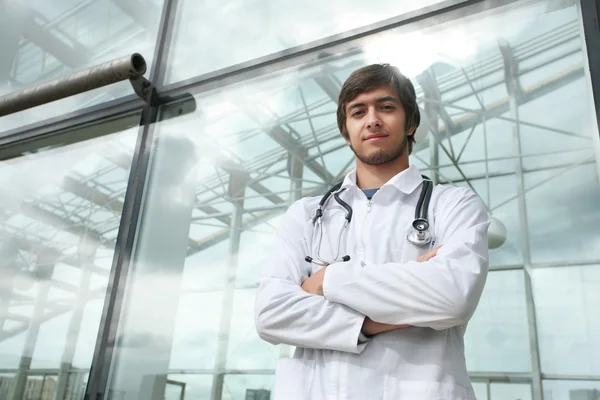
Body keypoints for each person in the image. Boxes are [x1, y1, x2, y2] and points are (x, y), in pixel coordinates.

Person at [254, 63, 491, 400]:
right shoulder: (306, 215)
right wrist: (368, 324)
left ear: (410, 123)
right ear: (345, 130)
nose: (372, 119)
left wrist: (327, 280)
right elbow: (270, 314)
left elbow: (452, 296)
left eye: (386, 107)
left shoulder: (453, 205)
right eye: (358, 111)